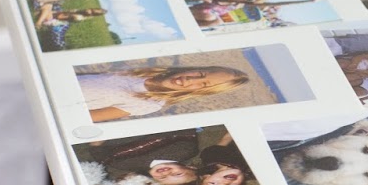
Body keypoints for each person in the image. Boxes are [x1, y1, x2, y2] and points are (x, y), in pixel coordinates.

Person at [79, 65, 251, 121]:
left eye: (202, 84)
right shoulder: (146, 72)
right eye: (200, 74)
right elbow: (94, 77)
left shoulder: (149, 103)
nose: (189, 80)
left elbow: (91, 117)